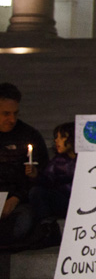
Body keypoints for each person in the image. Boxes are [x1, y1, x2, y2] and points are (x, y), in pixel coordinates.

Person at [0, 82, 49, 249]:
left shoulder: (29, 135)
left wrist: (16, 198)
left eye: (15, 113)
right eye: (6, 114)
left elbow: (43, 173)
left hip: (19, 201)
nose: (11, 119)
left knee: (23, 221)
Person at [26, 122, 77, 247]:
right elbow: (47, 181)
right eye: (56, 137)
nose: (56, 140)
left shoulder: (86, 158)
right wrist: (36, 175)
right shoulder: (58, 161)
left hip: (84, 201)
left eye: (62, 137)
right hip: (64, 201)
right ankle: (48, 229)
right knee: (37, 192)